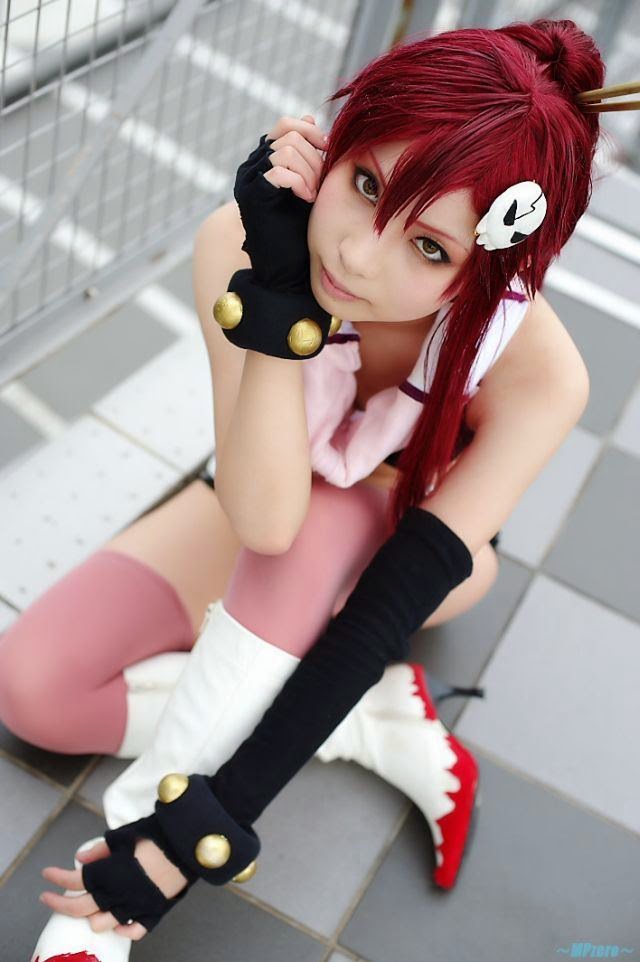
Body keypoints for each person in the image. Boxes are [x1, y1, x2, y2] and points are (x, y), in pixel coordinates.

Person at [1, 15, 628, 961]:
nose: (359, 257)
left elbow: (374, 597)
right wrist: (278, 294)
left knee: (314, 533)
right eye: (366, 184)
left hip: (407, 557)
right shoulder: (240, 240)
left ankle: (98, 916)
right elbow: (260, 511)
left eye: (430, 249)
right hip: (265, 497)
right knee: (34, 691)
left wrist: (183, 842)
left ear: (489, 268)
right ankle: (361, 721)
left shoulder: (539, 371)